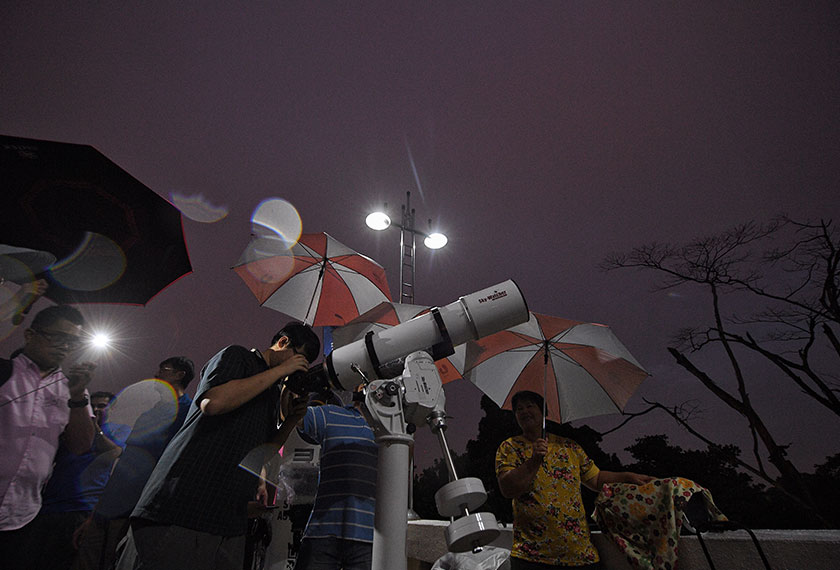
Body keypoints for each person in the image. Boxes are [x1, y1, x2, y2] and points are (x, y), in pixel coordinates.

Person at [115, 322, 320, 570]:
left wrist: (291, 421)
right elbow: (213, 403)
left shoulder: (271, 391)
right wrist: (279, 372)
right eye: (299, 359)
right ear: (283, 342)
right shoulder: (238, 356)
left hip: (227, 520)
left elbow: (264, 449)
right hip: (183, 507)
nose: (295, 370)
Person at [495, 390, 653, 570]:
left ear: (544, 412)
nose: (524, 411)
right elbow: (507, 489)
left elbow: (596, 479)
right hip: (532, 557)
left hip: (579, 555)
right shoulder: (509, 447)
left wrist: (627, 477)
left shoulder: (569, 446)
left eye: (530, 406)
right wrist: (534, 461)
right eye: (519, 409)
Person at [72, 357, 195, 570]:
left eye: (163, 369)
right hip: (111, 505)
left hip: (138, 509)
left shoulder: (188, 414)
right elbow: (125, 463)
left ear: (179, 375)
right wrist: (96, 512)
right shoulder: (149, 414)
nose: (156, 375)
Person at [0, 304, 96, 570]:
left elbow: (80, 446)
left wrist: (77, 397)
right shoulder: (4, 373)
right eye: (57, 337)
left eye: (73, 341)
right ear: (30, 335)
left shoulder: (73, 390)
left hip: (23, 514)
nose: (65, 347)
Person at [25, 391, 125, 570]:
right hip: (48, 508)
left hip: (82, 511)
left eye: (101, 406)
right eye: (93, 406)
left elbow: (115, 453)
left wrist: (96, 429)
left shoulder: (118, 433)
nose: (96, 409)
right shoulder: (72, 432)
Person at [293, 385, 377, 570]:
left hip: (370, 539)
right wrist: (294, 383)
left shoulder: (391, 430)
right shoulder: (330, 415)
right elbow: (294, 416)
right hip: (323, 534)